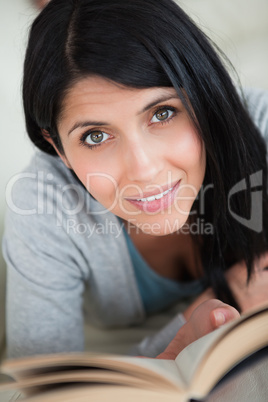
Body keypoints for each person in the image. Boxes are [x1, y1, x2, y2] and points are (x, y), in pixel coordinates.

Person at [3, 0, 268, 359]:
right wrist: (198, 318)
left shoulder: (260, 125)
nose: (143, 170)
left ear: (203, 95)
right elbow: (43, 387)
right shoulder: (42, 204)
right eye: (95, 136)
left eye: (163, 113)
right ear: (59, 149)